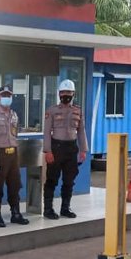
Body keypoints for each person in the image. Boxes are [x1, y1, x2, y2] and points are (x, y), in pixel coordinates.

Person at [42, 78, 88, 219]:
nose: (65, 95)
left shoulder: (78, 110)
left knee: (69, 180)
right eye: (63, 92)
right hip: (56, 148)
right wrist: (47, 151)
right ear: (59, 94)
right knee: (52, 180)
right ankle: (48, 209)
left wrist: (83, 150)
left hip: (71, 149)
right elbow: (46, 132)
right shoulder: (52, 110)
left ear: (73, 94)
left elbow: (81, 130)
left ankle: (65, 208)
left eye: (68, 92)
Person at [0, 85, 29, 227]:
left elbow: (15, 135)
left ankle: (15, 213)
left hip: (13, 155)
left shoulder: (14, 115)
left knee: (15, 185)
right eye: (4, 95)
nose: (6, 98)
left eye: (9, 95)